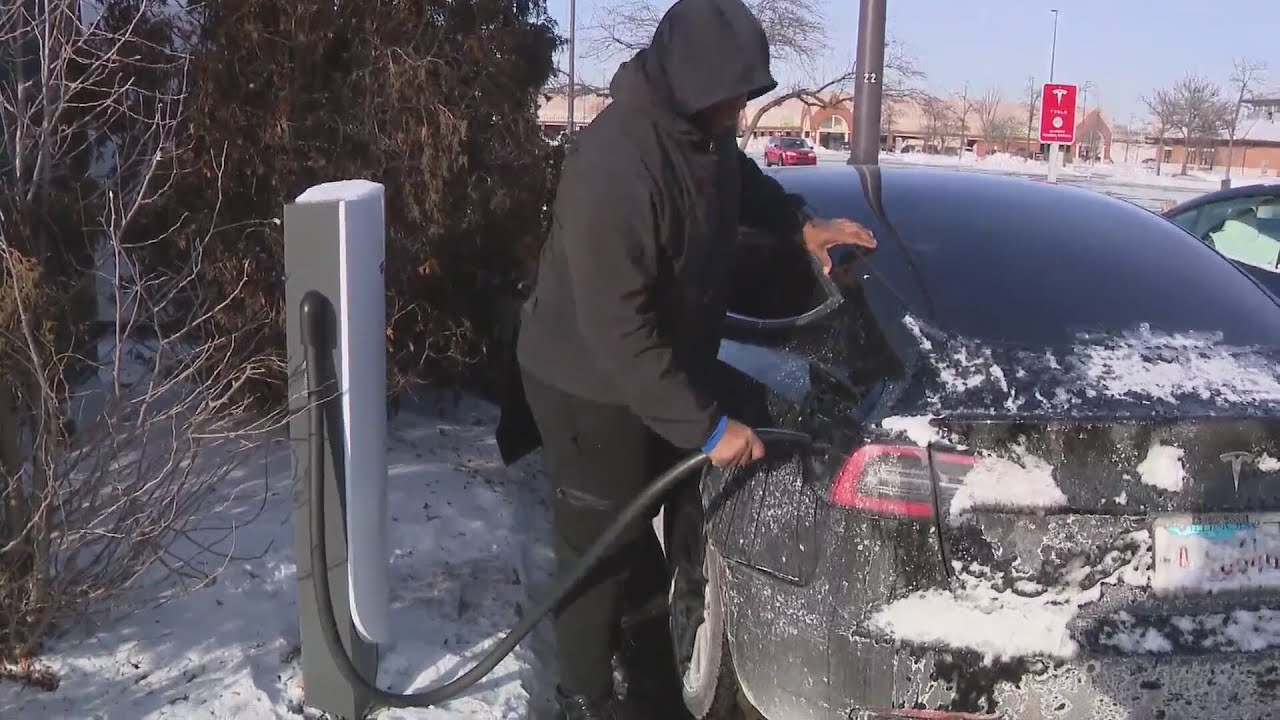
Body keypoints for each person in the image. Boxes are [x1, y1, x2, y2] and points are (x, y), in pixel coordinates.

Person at [508, 0, 877, 716]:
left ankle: (649, 692)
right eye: (731, 94)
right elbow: (618, 329)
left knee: (640, 554)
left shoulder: (700, 139)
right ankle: (579, 696)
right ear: (689, 82)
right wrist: (706, 427)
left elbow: (740, 183)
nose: (740, 109)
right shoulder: (616, 166)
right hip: (584, 382)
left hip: (650, 371)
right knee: (600, 547)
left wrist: (800, 225)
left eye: (746, 93)